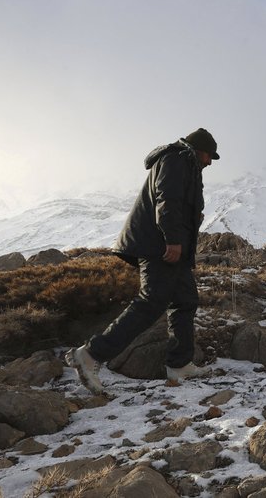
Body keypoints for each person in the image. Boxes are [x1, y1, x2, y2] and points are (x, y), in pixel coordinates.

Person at [66, 128, 218, 394]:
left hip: (175, 250)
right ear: (200, 150)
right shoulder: (177, 159)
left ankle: (180, 364)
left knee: (185, 301)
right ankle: (90, 355)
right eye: (209, 156)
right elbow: (167, 200)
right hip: (159, 246)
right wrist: (172, 239)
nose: (209, 162)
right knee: (151, 302)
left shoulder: (187, 164)